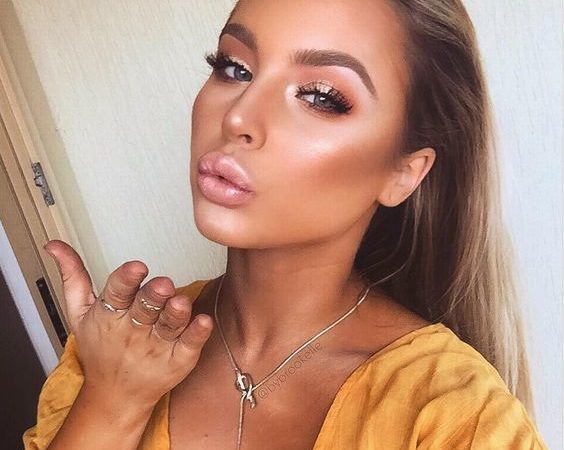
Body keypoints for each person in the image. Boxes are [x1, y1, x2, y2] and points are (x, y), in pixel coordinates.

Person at [23, 0, 548, 449]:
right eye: (234, 67)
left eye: (320, 96)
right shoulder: (118, 346)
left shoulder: (455, 416)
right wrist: (111, 401)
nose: (238, 116)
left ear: (403, 173)